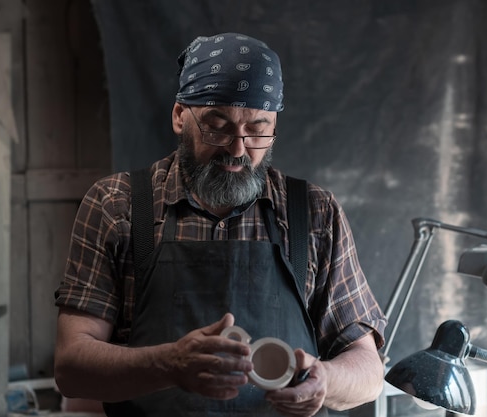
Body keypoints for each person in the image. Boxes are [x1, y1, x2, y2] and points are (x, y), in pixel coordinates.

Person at [54, 32, 387, 417]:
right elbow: (71, 366)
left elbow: (368, 369)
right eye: (219, 126)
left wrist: (325, 380)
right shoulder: (118, 205)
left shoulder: (313, 213)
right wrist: (169, 364)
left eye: (258, 129)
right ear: (181, 116)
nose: (238, 149)